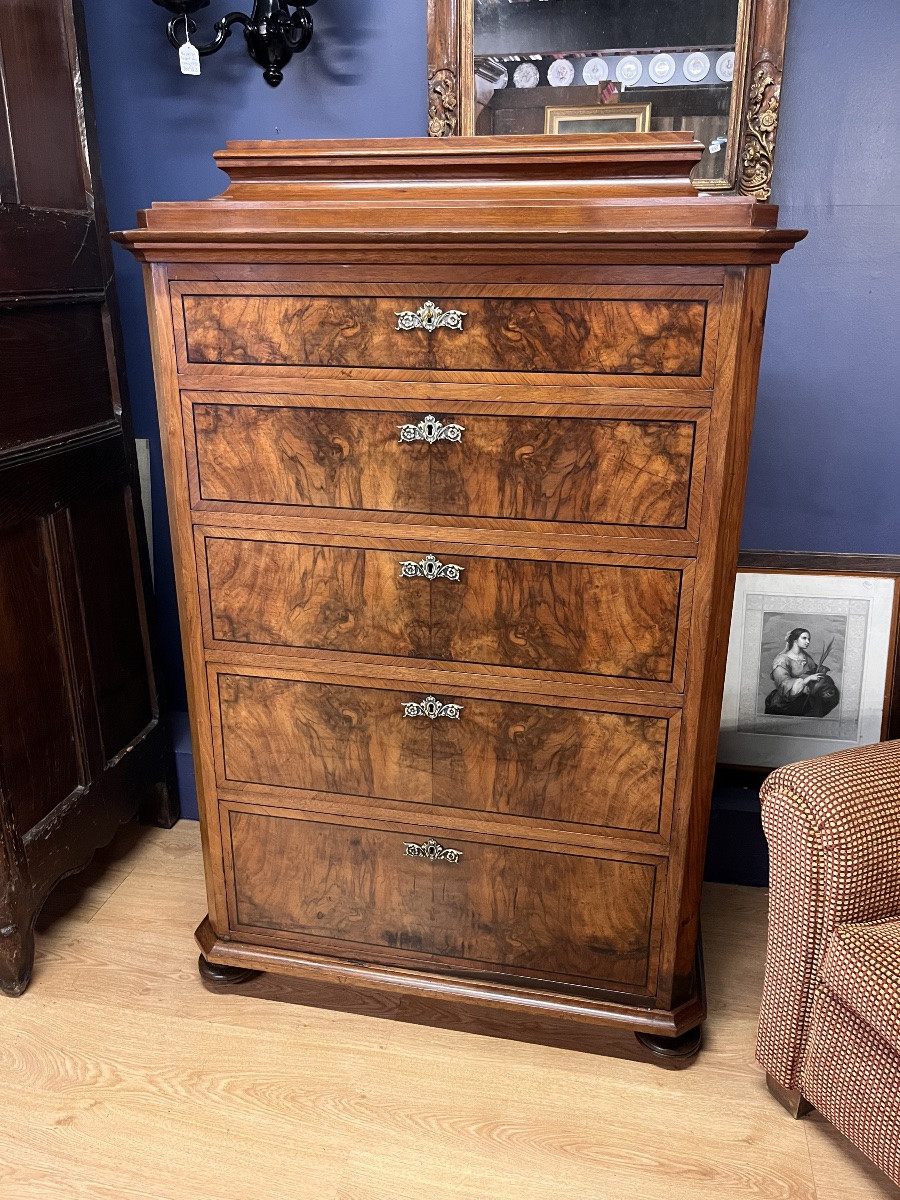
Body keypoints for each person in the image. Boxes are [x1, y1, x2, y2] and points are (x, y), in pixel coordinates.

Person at [764, 627, 841, 717]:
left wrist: (820, 670)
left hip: (805, 695)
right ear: (795, 640)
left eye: (809, 639)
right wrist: (807, 679)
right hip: (786, 701)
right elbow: (784, 685)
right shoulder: (781, 661)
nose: (808, 641)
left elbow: (813, 669)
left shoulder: (805, 656)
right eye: (804, 638)